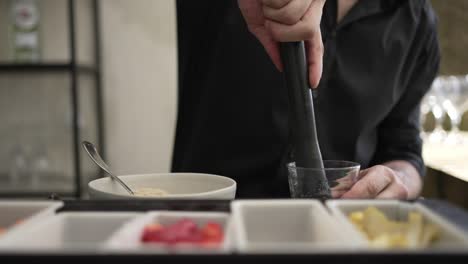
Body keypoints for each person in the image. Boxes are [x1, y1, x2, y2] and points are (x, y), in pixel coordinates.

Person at [171, 0, 441, 199]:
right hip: (209, 228)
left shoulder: (416, 21)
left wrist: (397, 179)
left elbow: (402, 148)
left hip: (332, 236)